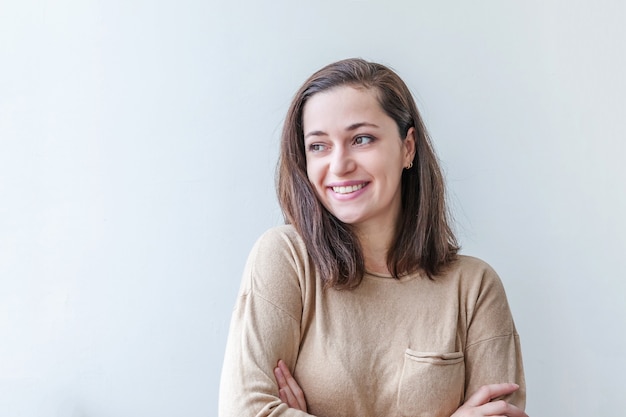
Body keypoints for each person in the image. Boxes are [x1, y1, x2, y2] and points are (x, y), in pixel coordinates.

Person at [219, 58, 527, 417]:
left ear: (407, 147)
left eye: (361, 139)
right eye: (318, 146)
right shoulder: (286, 258)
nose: (338, 165)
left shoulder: (474, 288)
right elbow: (246, 411)